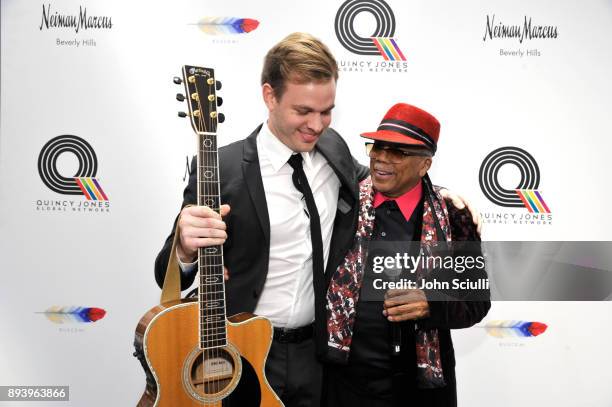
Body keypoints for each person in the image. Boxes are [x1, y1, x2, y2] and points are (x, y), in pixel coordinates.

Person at [154, 34, 479, 407]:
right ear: (270, 96)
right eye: (303, 111)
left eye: (327, 111)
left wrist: (446, 198)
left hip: (319, 356)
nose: (316, 124)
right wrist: (183, 248)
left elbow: (390, 178)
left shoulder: (333, 150)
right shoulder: (222, 169)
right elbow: (167, 273)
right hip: (243, 350)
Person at [325, 103, 491, 407]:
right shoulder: (341, 202)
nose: (381, 158)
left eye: (398, 152)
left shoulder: (454, 216)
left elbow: (476, 303)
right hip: (345, 383)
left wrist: (431, 303)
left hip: (419, 390)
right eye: (377, 147)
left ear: (424, 165)